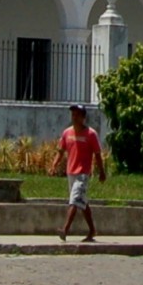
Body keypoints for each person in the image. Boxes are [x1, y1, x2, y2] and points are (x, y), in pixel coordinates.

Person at [54, 103, 107, 244]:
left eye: (77, 114)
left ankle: (65, 229)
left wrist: (102, 171)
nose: (74, 117)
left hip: (83, 173)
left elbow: (97, 154)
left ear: (83, 117)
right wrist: (54, 164)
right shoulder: (67, 133)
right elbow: (61, 151)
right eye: (73, 114)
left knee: (75, 199)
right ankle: (92, 230)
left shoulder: (91, 134)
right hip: (70, 172)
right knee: (82, 201)